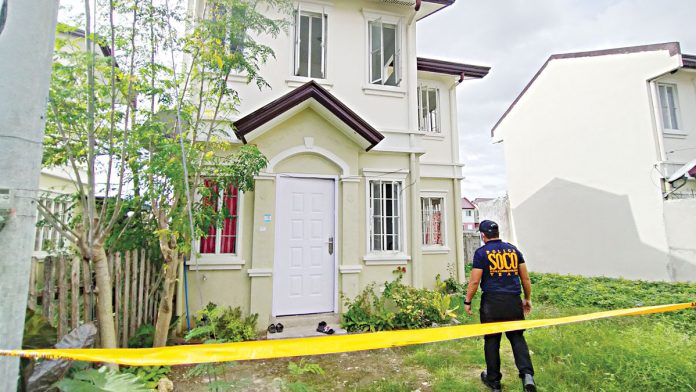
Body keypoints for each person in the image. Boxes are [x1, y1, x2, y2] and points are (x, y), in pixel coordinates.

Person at [464, 220, 536, 392]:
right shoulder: (513, 250)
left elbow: (475, 281)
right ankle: (527, 376)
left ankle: (494, 381)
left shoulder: (482, 253)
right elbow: (525, 278)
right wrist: (527, 298)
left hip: (492, 303)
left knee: (492, 340)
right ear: (497, 233)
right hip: (513, 301)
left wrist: (467, 301)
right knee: (517, 338)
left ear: (482, 235)